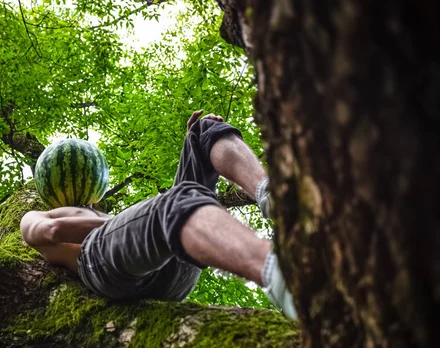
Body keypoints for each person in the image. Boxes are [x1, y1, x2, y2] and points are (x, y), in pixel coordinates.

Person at [20, 110, 297, 320]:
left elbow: (143, 222)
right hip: (101, 266)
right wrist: (133, 215)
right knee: (177, 201)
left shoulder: (113, 220)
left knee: (202, 132)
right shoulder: (37, 214)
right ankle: (285, 275)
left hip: (171, 259)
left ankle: (277, 199)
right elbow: (52, 231)